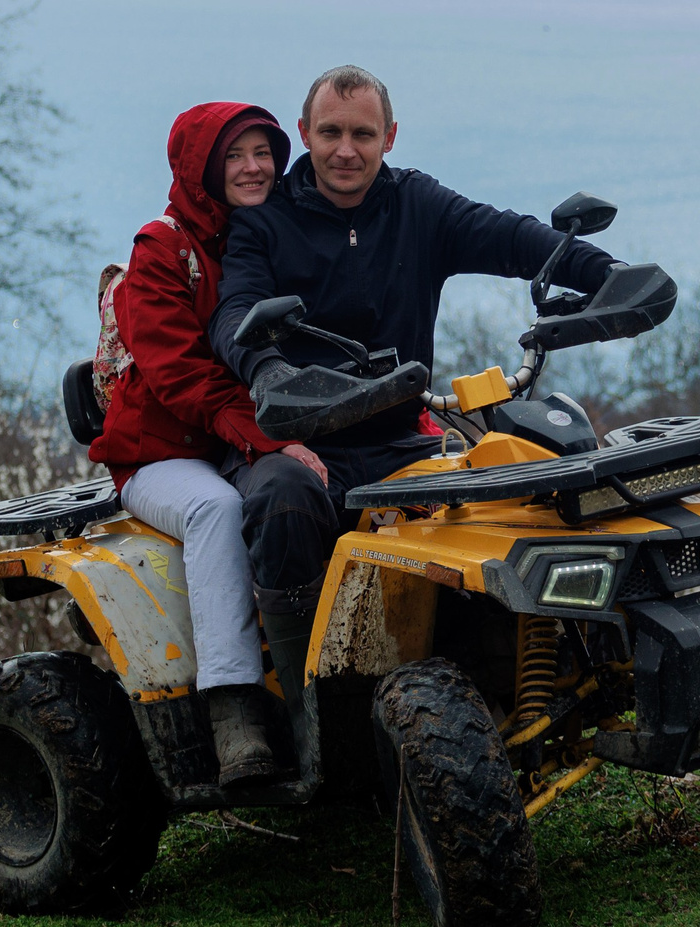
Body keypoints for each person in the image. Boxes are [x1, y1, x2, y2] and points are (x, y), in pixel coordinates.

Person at [209, 64, 618, 713]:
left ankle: (501, 687)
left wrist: (604, 273)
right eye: (332, 132)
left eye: (363, 134)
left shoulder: (416, 204)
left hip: (400, 439)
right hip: (296, 441)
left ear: (390, 136)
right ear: (305, 132)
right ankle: (305, 709)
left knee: (511, 496)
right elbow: (236, 309)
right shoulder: (265, 224)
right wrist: (267, 368)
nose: (347, 149)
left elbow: (508, 235)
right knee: (283, 501)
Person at [88, 101, 328, 788]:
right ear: (201, 166)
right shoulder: (160, 250)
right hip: (161, 454)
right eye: (234, 155)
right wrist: (267, 438)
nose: (254, 167)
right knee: (215, 511)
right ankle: (236, 713)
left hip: (234, 437)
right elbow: (178, 374)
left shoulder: (264, 233)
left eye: (263, 151)